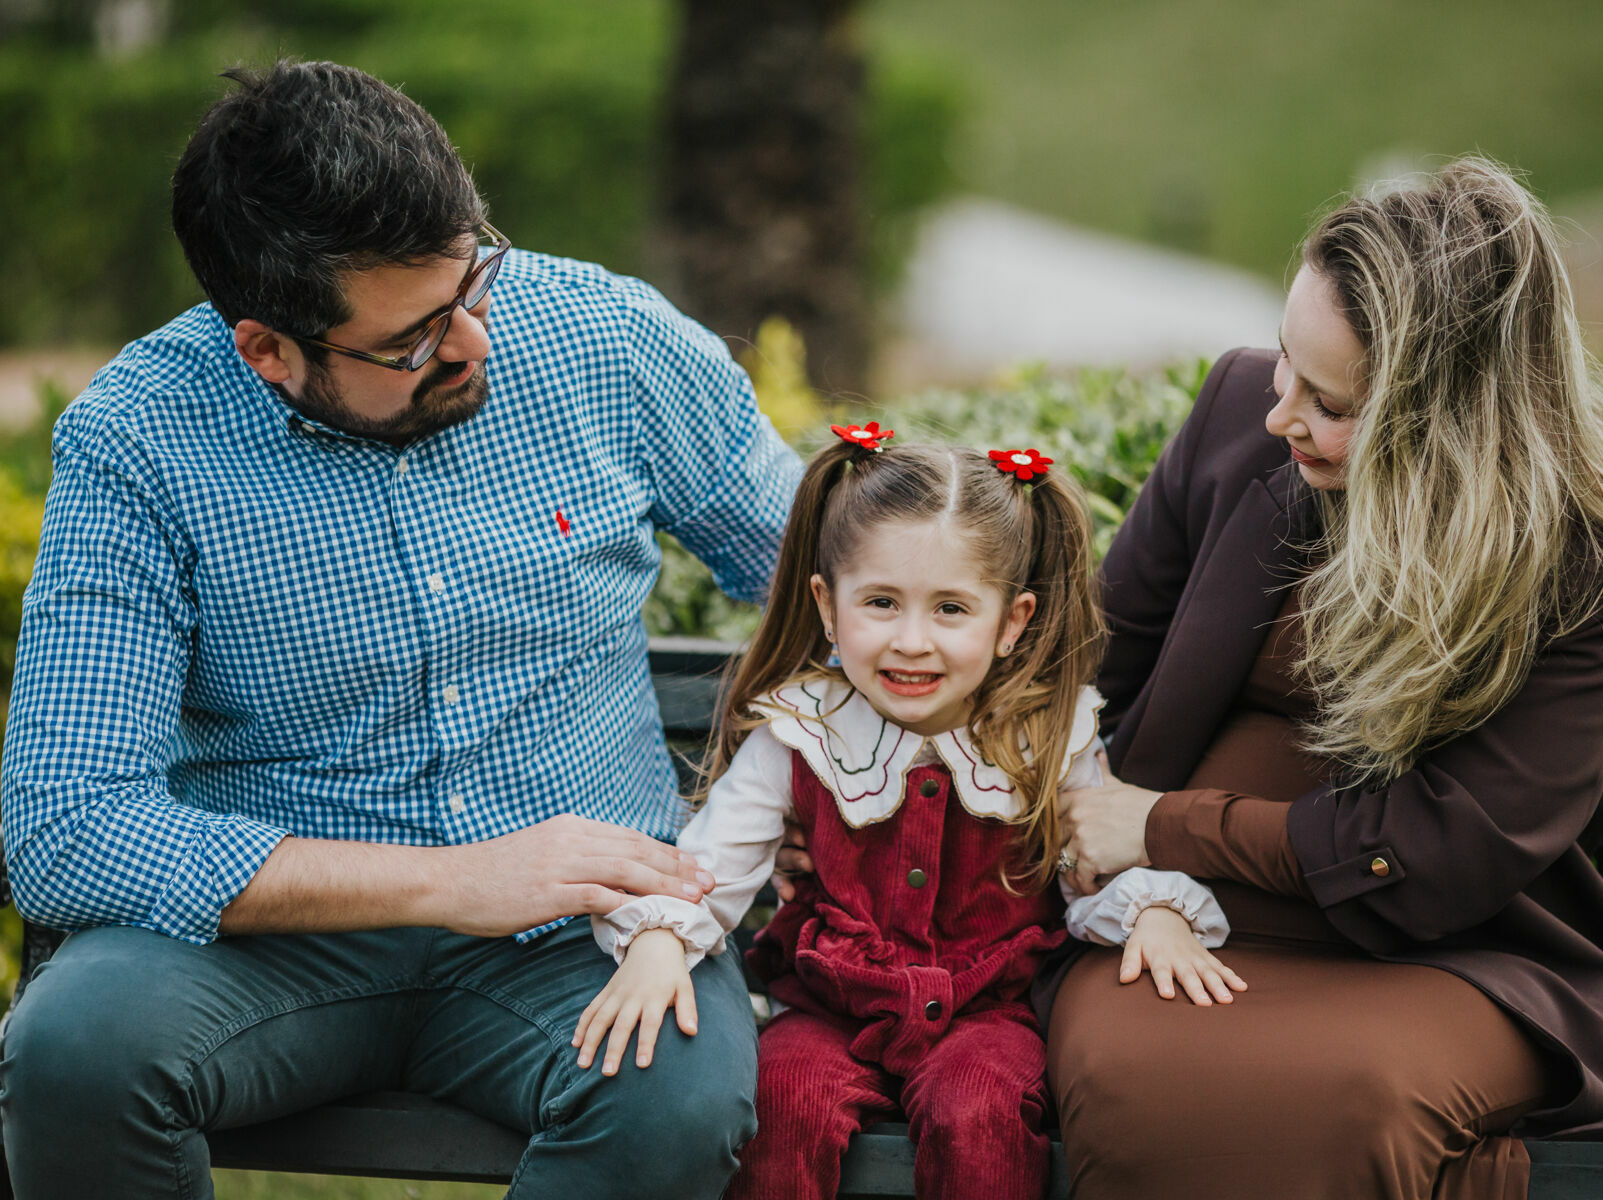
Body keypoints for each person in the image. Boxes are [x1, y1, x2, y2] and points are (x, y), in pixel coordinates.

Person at [0, 60, 800, 1199]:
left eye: (477, 280)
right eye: (414, 341)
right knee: (75, 1051)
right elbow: (69, 828)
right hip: (260, 948)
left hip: (590, 937)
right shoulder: (138, 443)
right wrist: (447, 880)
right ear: (268, 350)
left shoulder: (607, 340)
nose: (475, 341)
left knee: (671, 1092)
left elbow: (833, 571)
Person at [1043, 157, 1603, 1199]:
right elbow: (1081, 669)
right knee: (1135, 1077)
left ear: (1446, 418)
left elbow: (1439, 855)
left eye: (1330, 400)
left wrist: (1164, 821)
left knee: (1357, 1098)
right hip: (1171, 919)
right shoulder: (1232, 420)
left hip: (1447, 958)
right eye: (1284, 368)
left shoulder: (1596, 574)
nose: (1279, 417)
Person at [576, 428, 1242, 1200]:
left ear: (1012, 622)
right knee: (784, 1102)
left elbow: (1098, 864)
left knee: (979, 1110)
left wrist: (1152, 913)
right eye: (881, 602)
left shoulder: (1044, 741)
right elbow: (710, 864)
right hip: (830, 1005)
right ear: (829, 604)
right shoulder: (802, 733)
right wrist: (659, 939)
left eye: (952, 608)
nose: (912, 642)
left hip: (987, 1013)